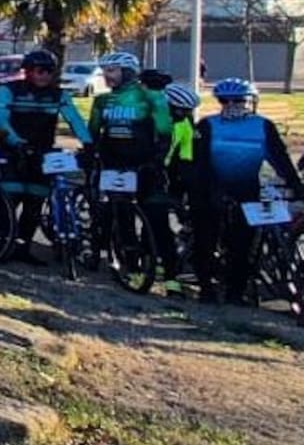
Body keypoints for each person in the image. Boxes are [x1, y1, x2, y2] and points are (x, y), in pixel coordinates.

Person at [196, 78, 302, 305]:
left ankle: (236, 292)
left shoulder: (263, 126)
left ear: (251, 102)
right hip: (213, 189)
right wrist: (210, 190)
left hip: (248, 190)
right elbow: (199, 164)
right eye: (225, 100)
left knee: (243, 244)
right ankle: (206, 288)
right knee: (207, 237)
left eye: (239, 101)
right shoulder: (207, 125)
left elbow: (280, 160)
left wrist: (296, 187)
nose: (232, 105)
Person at [0, 49, 92, 265]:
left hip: (43, 153)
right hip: (14, 151)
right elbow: (1, 118)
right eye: (40, 71)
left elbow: (75, 119)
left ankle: (23, 247)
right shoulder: (9, 90)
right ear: (27, 71)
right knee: (10, 199)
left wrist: (89, 143)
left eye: (49, 71)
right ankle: (1, 244)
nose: (44, 75)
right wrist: (16, 142)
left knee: (34, 203)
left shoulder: (59, 95)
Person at [89, 52, 177, 289]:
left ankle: (171, 276)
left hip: (145, 165)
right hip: (114, 167)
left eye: (113, 70)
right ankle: (132, 266)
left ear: (128, 72)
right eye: (105, 71)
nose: (107, 76)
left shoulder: (151, 97)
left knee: (157, 219)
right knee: (121, 215)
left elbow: (166, 134)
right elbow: (94, 134)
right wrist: (92, 157)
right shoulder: (102, 101)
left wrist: (157, 161)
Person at [164, 83, 204, 299]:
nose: (182, 115)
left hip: (171, 175)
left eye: (186, 111)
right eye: (178, 110)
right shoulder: (154, 120)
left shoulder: (186, 126)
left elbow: (187, 159)